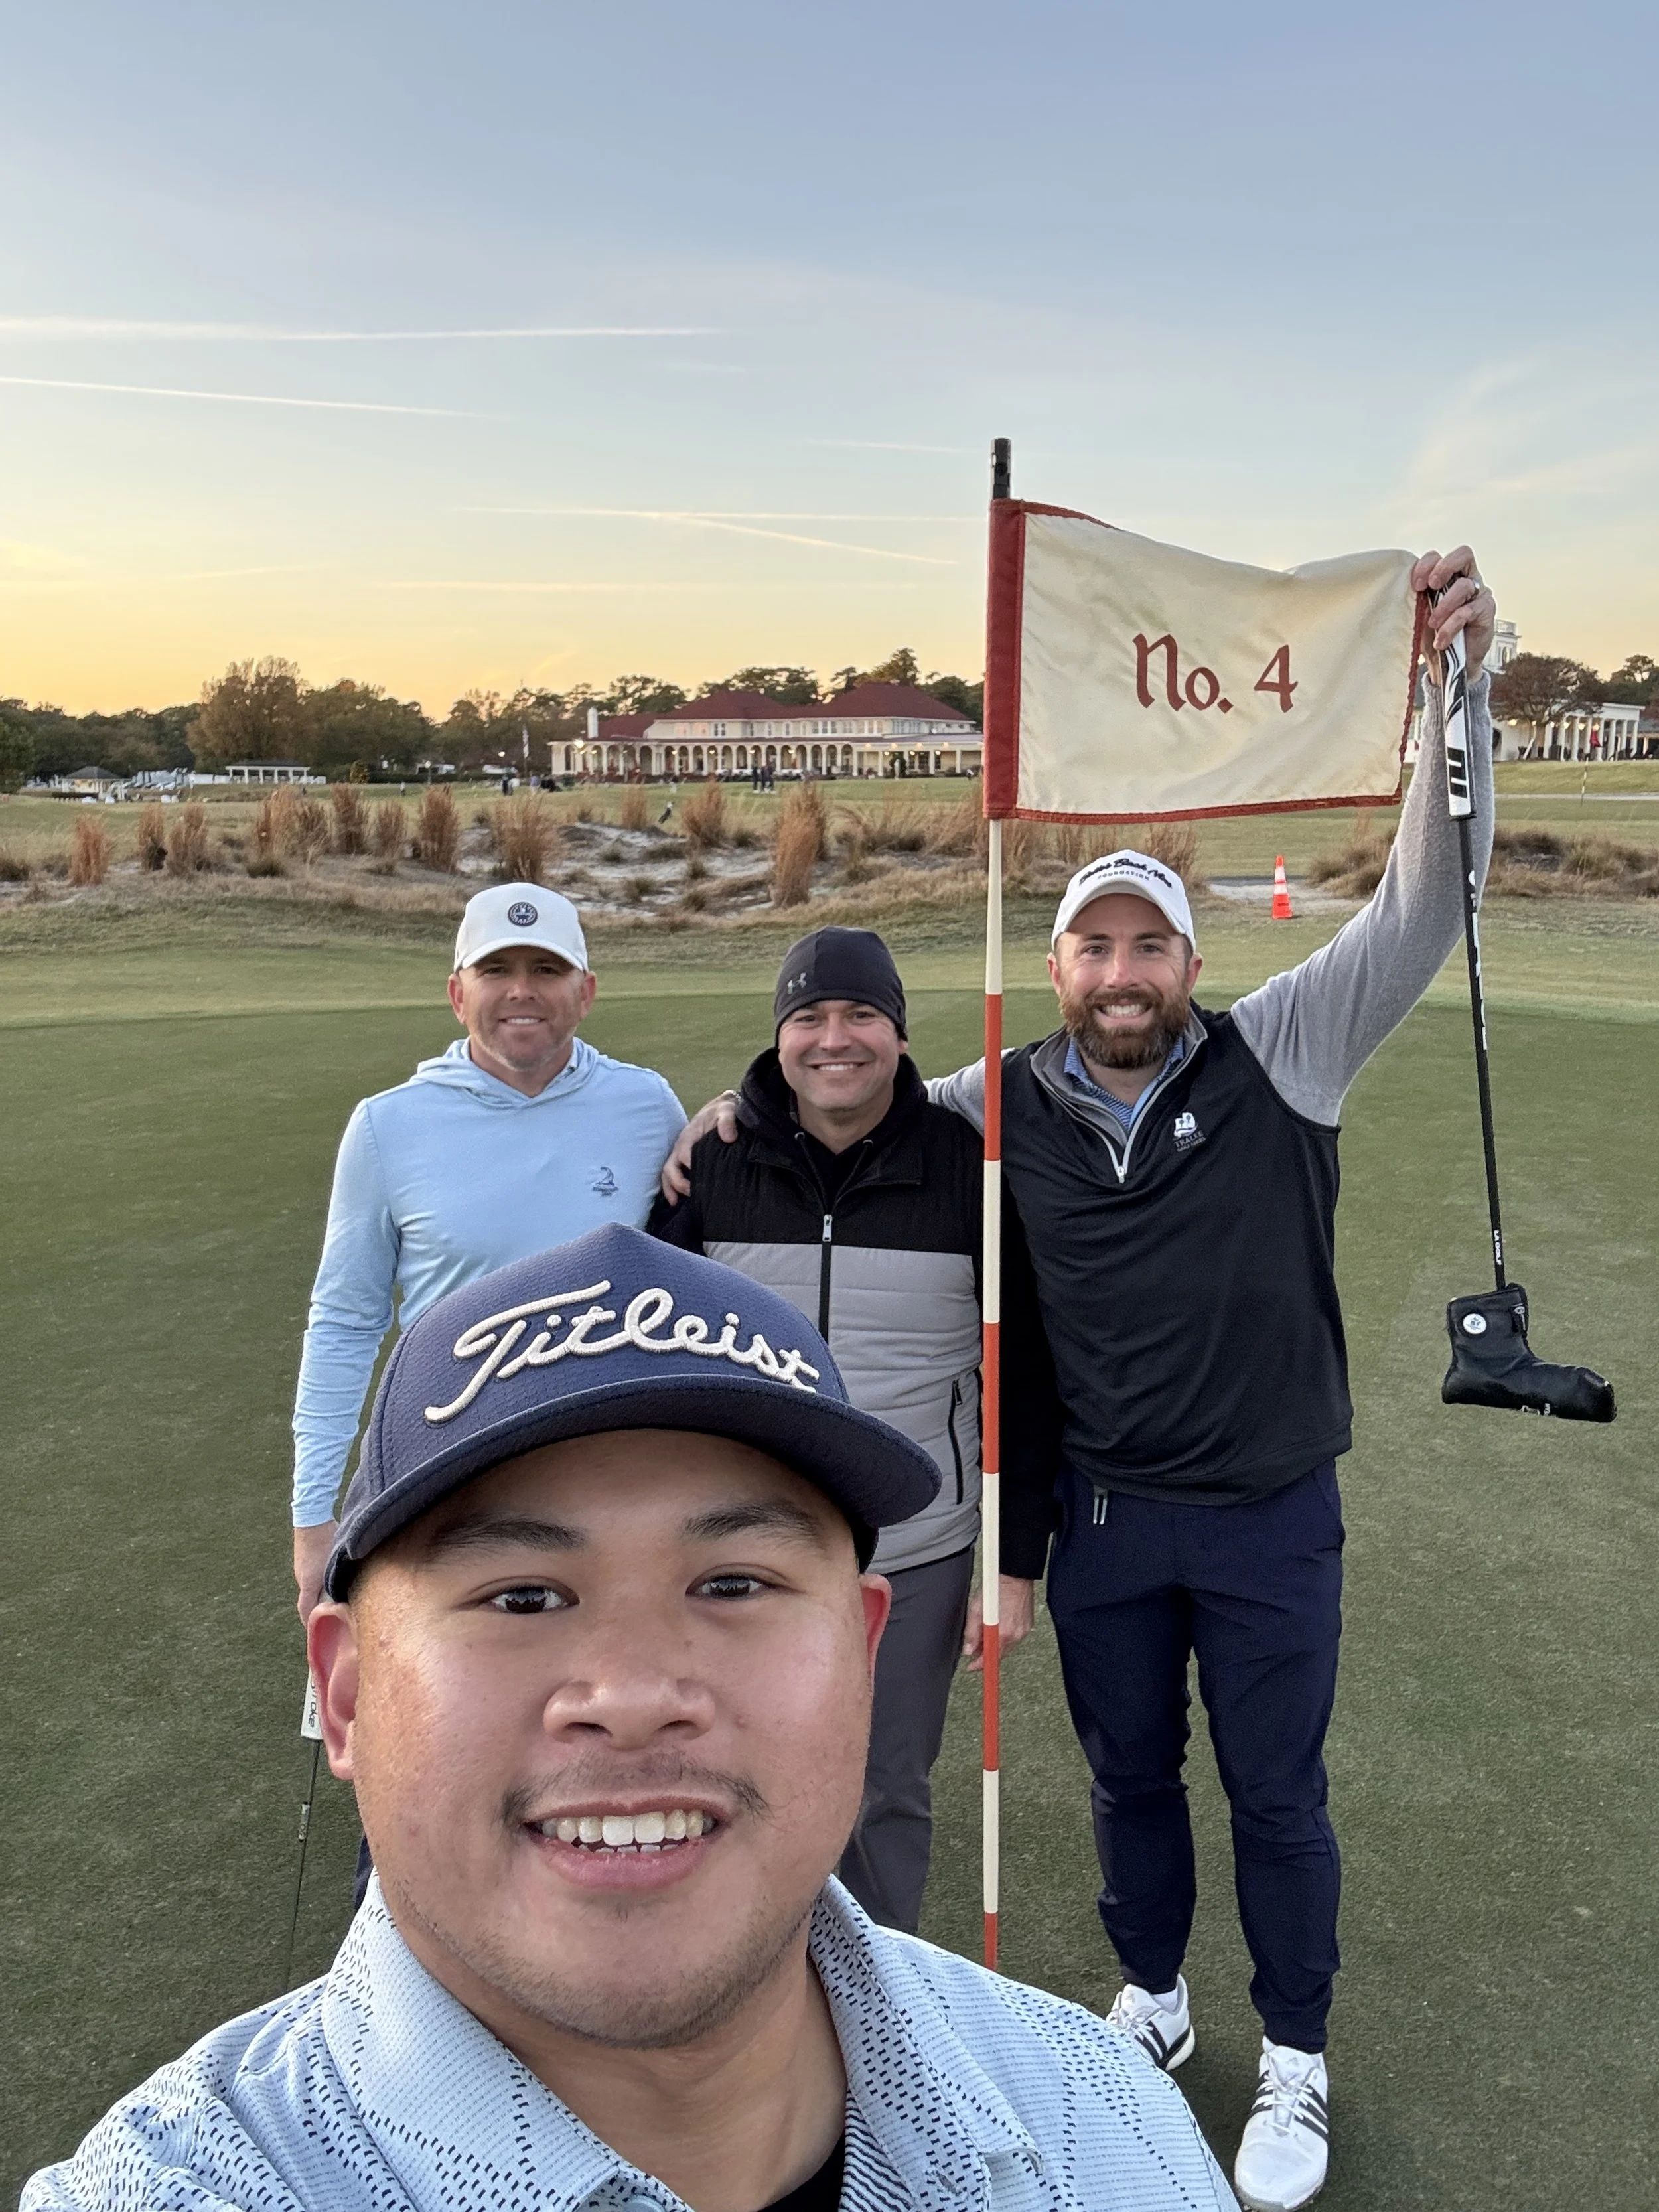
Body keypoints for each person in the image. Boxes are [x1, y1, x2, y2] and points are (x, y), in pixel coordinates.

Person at [661, 553, 1497, 2212]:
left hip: (1266, 1509)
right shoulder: (997, 1097)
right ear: (1056, 968)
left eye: (1150, 946)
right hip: (1101, 1518)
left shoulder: (1287, 1052)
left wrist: (1460, 688)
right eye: (1092, 947)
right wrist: (720, 1116)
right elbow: (849, 1094)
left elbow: (1424, 903)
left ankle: (1299, 2055)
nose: (1122, 973)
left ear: (1188, 961)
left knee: (1273, 1790)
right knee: (1126, 1781)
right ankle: (1160, 2004)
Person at [25, 1226, 1236, 2211]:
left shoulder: (1100, 2107)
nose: (637, 1693)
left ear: (865, 1654)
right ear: (345, 1695)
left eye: (735, 1584)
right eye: (522, 1594)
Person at [648, 927, 1052, 1934]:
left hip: (914, 1549)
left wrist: (1012, 1561)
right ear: (780, 1036)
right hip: (740, 1551)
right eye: (810, 1017)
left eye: (862, 1014)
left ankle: (875, 2013)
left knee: (883, 1793)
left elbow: (1025, 1377)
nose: (837, 1039)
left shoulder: (970, 1166)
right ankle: (741, 1994)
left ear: (901, 1034)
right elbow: (651, 1367)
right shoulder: (714, 1168)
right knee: (728, 1778)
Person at [290, 881, 685, 1621]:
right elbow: (344, 1324)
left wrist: (727, 1109)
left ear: (587, 990)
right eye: (497, 971)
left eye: (546, 970)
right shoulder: (388, 1125)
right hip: (440, 1459)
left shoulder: (647, 1105)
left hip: (607, 1470)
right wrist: (313, 1518)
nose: (521, 993)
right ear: (456, 992)